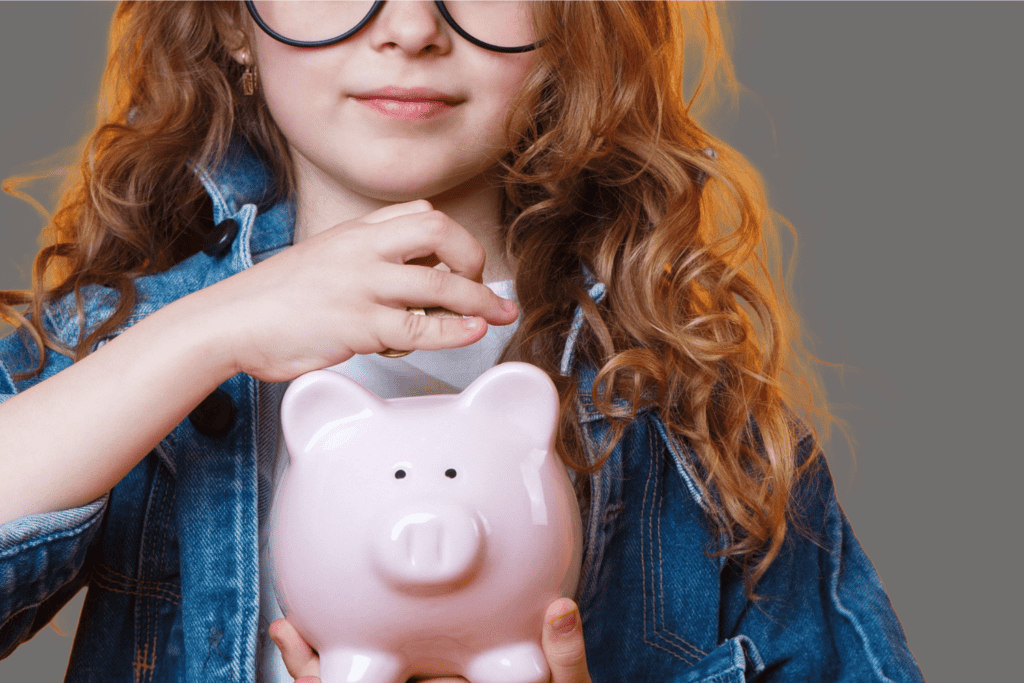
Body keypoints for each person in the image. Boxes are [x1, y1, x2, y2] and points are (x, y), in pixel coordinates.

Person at [0, 2, 925, 682]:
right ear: (233, 23)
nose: (409, 26)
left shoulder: (685, 409)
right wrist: (205, 331)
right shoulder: (121, 343)